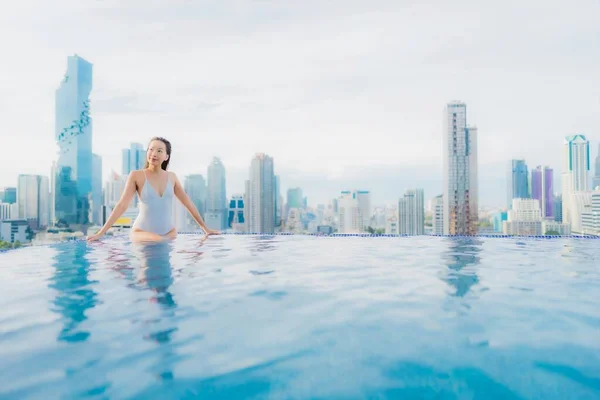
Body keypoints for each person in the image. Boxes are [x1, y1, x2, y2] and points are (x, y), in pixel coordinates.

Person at [87, 137, 219, 242]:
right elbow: (122, 205)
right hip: (142, 233)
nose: (153, 154)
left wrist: (205, 228)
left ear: (166, 156)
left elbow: (187, 203)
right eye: (151, 149)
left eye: (159, 151)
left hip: (169, 232)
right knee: (157, 244)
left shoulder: (172, 177)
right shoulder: (136, 175)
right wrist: (101, 233)